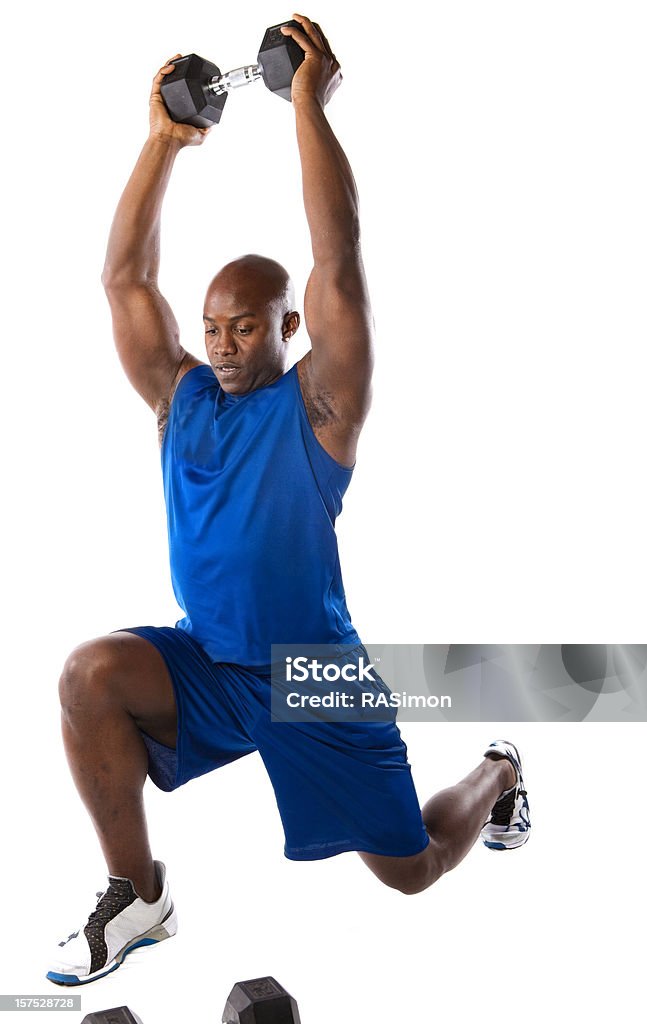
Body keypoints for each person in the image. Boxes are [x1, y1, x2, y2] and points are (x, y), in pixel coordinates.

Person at [48, 15, 531, 988]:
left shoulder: (320, 409)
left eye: (245, 328)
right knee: (89, 672)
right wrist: (163, 142)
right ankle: (139, 896)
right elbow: (123, 277)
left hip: (313, 681)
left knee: (408, 872)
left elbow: (338, 258)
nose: (222, 344)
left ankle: (500, 772)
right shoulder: (176, 396)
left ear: (288, 326)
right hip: (212, 663)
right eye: (211, 327)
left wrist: (304, 103)